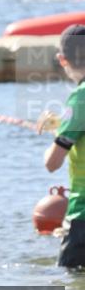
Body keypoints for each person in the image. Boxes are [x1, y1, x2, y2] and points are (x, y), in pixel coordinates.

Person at [37, 24, 85, 269]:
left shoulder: (80, 98)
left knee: (71, 289)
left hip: (83, 217)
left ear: (62, 59)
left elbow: (52, 163)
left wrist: (58, 132)